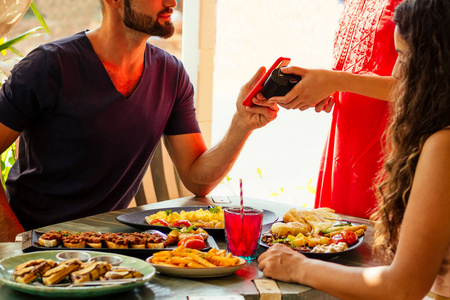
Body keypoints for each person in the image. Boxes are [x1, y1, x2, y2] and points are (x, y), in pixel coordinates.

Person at [0, 0, 278, 242]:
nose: (172, 3)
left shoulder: (172, 75)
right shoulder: (47, 66)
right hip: (35, 242)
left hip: (110, 246)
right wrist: (13, 240)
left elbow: (197, 179)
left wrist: (241, 124)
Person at [259, 0, 450, 298]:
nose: (396, 70)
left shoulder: (442, 146)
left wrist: (298, 267)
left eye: (401, 55)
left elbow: (404, 287)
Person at [269, 0, 402, 219]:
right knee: (333, 242)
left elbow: (424, 86)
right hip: (342, 149)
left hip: (389, 151)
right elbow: (357, 69)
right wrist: (321, 87)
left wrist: (335, 81)